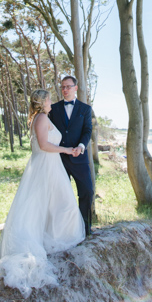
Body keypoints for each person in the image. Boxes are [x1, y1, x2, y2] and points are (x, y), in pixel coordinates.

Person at [0, 88, 85, 297]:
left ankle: (57, 236)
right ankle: (46, 241)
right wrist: (68, 150)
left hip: (51, 166)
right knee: (49, 206)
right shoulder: (41, 118)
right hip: (45, 167)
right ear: (43, 102)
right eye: (49, 100)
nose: (52, 102)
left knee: (58, 205)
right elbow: (43, 145)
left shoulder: (43, 117)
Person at [48, 75, 94, 235]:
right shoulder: (53, 109)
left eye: (68, 86)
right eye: (63, 87)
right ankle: (64, 231)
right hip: (59, 159)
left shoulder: (85, 109)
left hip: (79, 158)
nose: (65, 90)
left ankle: (85, 229)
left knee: (87, 191)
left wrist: (81, 146)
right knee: (61, 196)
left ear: (75, 87)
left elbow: (87, 130)